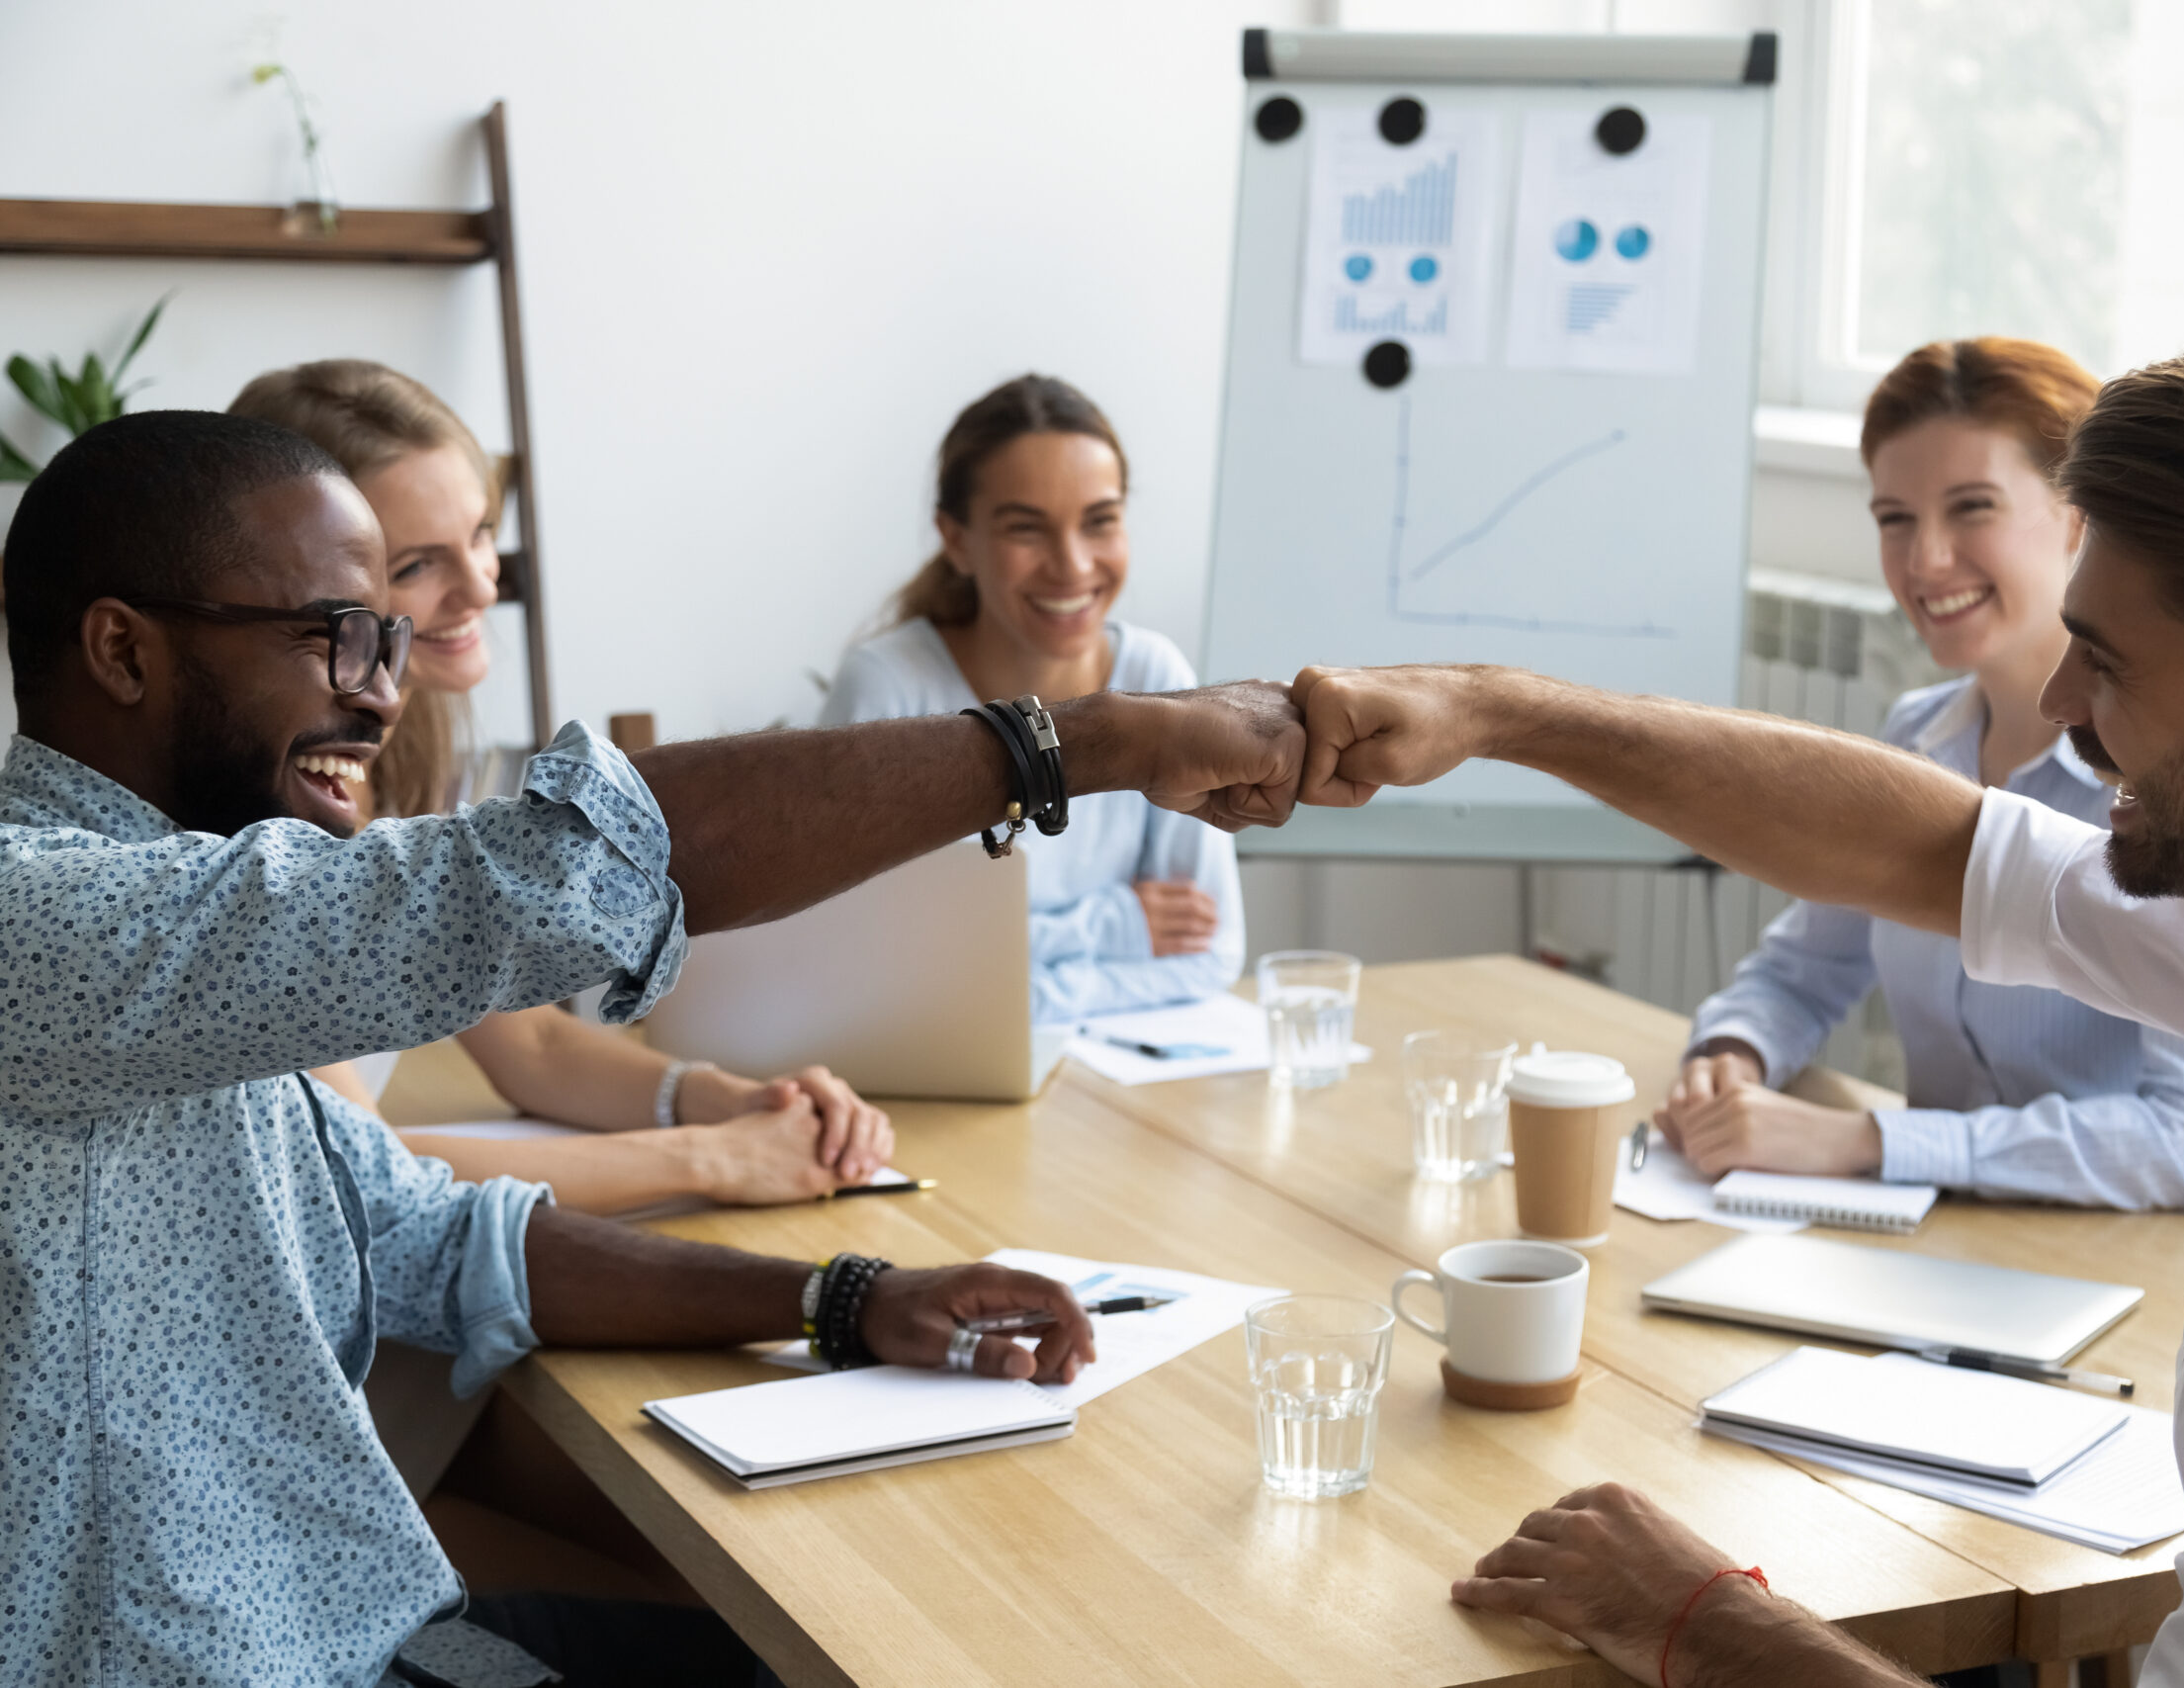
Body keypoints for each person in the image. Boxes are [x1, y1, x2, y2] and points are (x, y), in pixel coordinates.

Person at [1291, 333, 2184, 1684]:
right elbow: (1932, 847)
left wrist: (1704, 1618)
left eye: (2107, 664)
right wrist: (1494, 711)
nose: (2062, 703)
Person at [0, 408, 1303, 1683]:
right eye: (336, 638)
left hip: (365, 1629)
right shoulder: (40, 921)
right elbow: (544, 878)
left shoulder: (179, 946)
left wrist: (847, 1297)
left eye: (388, 639)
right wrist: (1085, 739)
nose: (381, 691)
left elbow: (437, 1235)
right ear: (123, 649)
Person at [227, 358, 887, 1217]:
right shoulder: (258, 815)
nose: (480, 585)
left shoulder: (394, 759)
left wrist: (722, 1098)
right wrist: (710, 1159)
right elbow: (347, 1170)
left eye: (480, 532)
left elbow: (531, 1042)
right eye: (419, 564)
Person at [1660, 338, 2184, 1210]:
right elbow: (1806, 967)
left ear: (2081, 519)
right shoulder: (1914, 737)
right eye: (1894, 517)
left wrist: (1868, 1139)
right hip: (1929, 1241)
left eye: (1971, 508)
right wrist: (1730, 1054)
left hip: (2102, 1266)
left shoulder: (2164, 789)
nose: (1924, 559)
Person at [818, 375, 1243, 1022]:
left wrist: (1012, 981)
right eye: (1027, 530)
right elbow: (865, 960)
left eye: (1100, 522)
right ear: (957, 541)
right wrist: (1113, 928)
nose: (1072, 566)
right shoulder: (888, 686)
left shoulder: (1157, 673)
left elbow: (1209, 951)